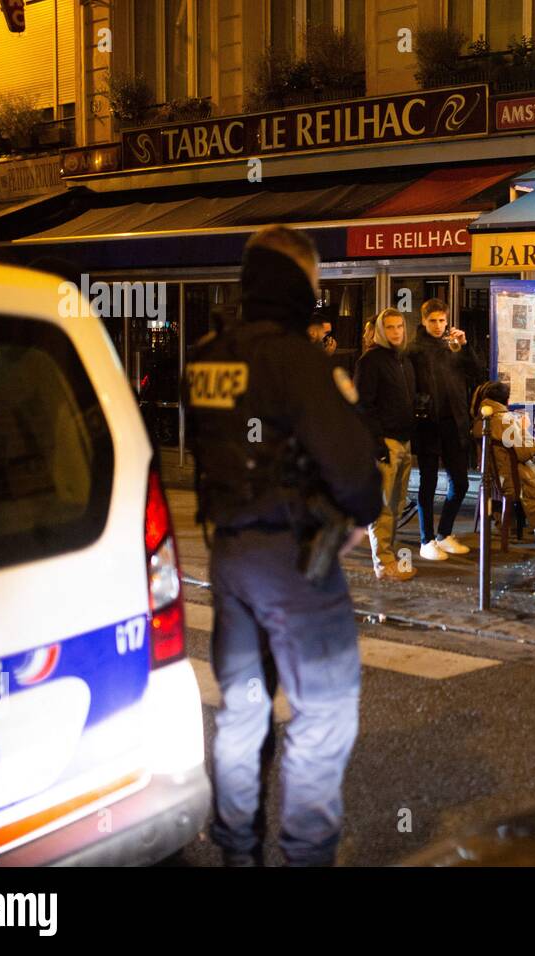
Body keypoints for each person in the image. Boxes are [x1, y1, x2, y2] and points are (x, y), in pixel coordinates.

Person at [184, 225, 382, 867]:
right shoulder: (295, 358)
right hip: (295, 559)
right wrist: (354, 515)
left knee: (241, 713)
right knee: (322, 718)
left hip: (229, 556)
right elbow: (355, 473)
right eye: (316, 282)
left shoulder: (209, 352)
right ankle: (305, 856)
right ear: (299, 281)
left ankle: (238, 853)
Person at [409, 298, 477, 562]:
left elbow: (475, 373)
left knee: (459, 482)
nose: (438, 326)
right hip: (427, 423)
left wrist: (465, 347)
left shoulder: (453, 346)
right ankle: (426, 539)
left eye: (442, 320)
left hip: (454, 422)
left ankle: (444, 533)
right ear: (424, 321)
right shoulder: (414, 350)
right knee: (428, 482)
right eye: (433, 321)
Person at [355, 307, 418, 581]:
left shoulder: (402, 360)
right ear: (381, 330)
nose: (395, 332)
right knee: (383, 508)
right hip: (386, 443)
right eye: (389, 327)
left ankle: (389, 558)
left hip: (404, 441)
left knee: (397, 504)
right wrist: (377, 445)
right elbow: (363, 406)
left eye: (399, 326)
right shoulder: (371, 361)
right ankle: (384, 564)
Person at [473, 380, 535, 535]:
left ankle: (515, 521)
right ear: (506, 400)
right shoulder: (505, 421)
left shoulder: (480, 420)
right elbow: (526, 452)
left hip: (491, 478)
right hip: (511, 479)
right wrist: (524, 429)